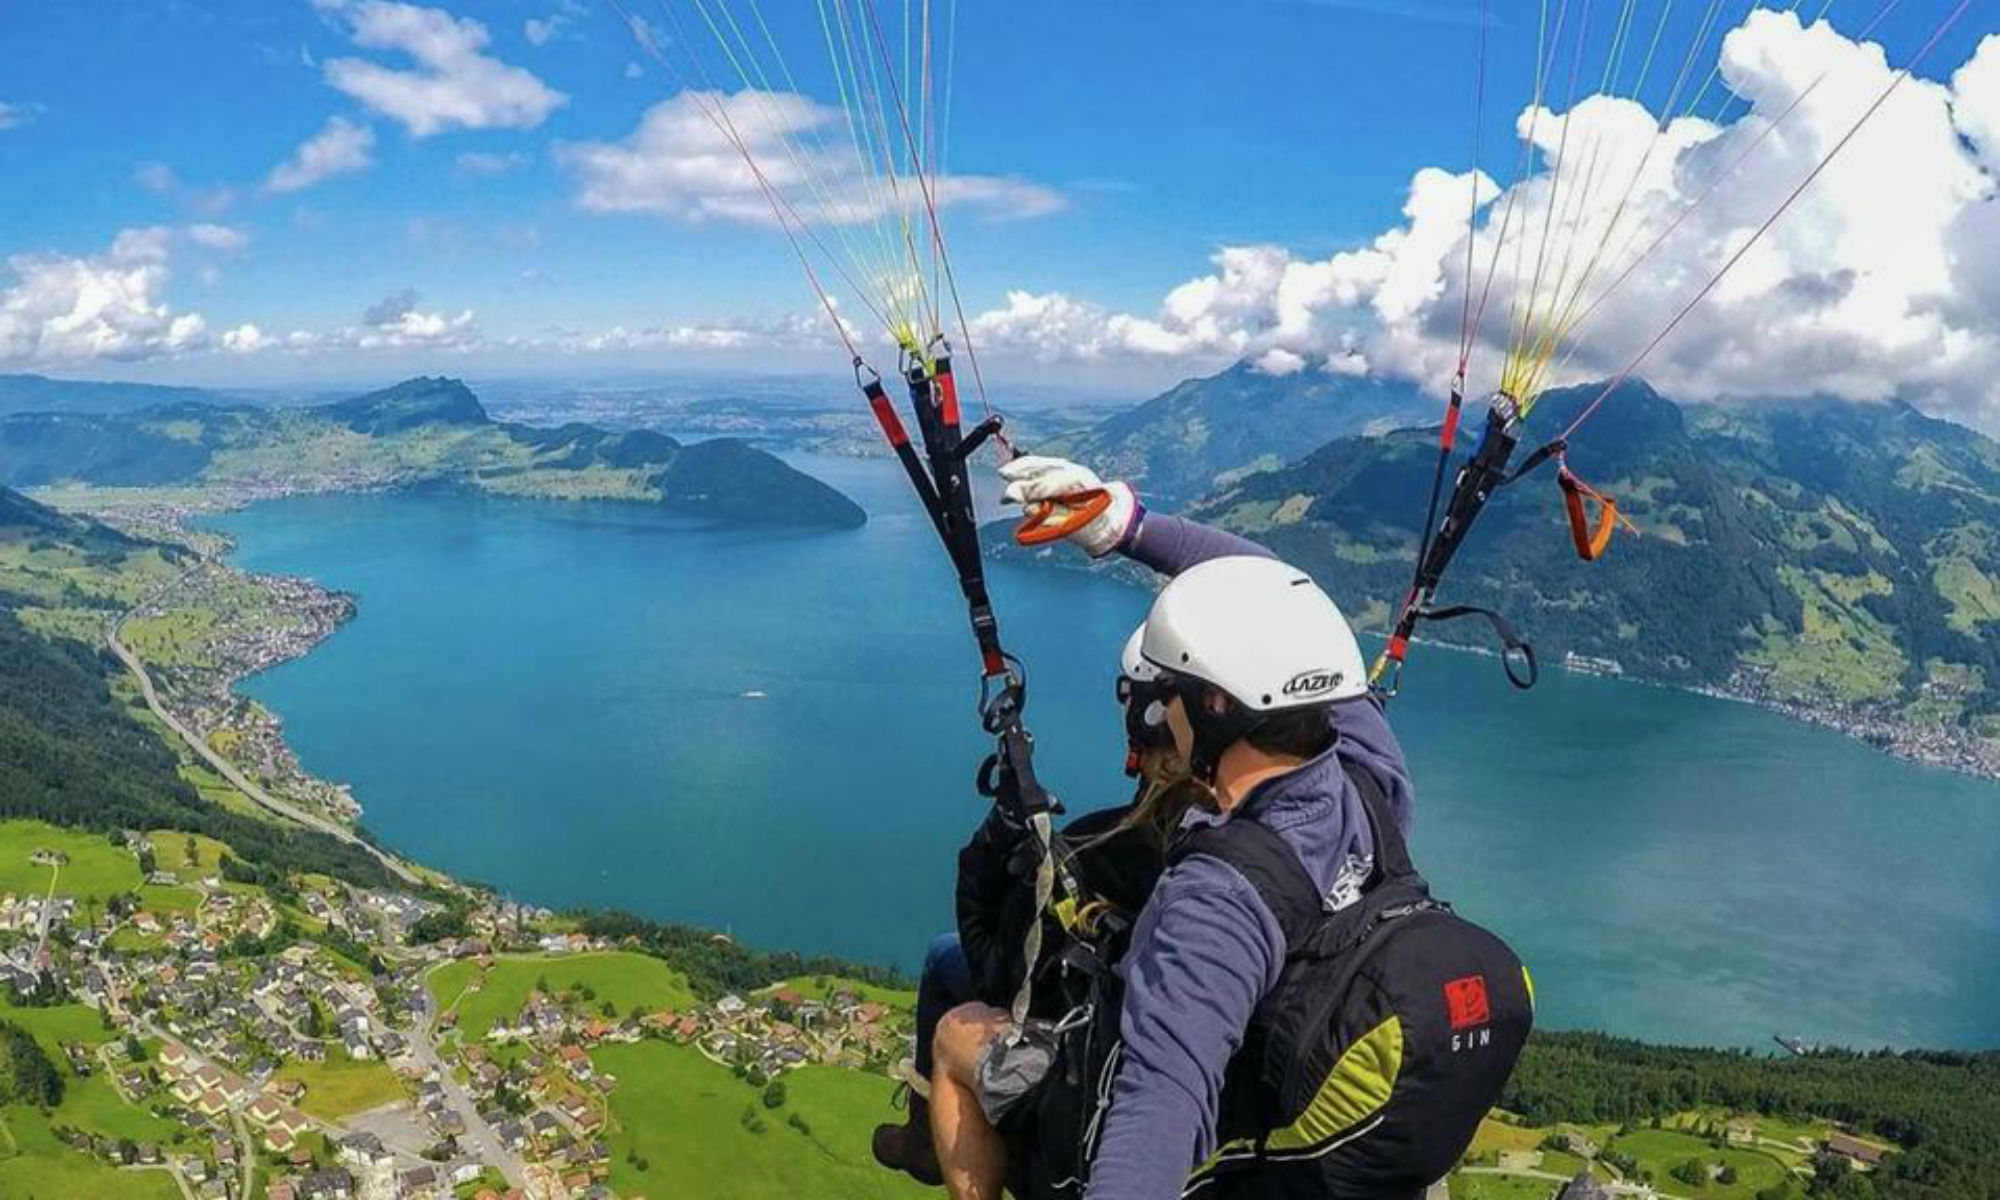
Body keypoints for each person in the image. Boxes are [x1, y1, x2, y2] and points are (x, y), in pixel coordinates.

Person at [927, 455, 1423, 1200]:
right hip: (1291, 1071)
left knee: (955, 1026)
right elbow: (1279, 589)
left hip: (1185, 1107)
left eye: (1170, 699)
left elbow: (1161, 1097)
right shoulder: (1371, 776)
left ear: (1216, 708)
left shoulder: (1218, 897)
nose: (1162, 717)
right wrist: (1124, 525)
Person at [873, 622, 1193, 1187]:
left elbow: (1002, 975)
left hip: (1104, 1059)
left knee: (946, 976)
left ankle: (927, 1137)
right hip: (1191, 1060)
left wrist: (996, 841)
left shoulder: (1110, 848)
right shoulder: (1288, 827)